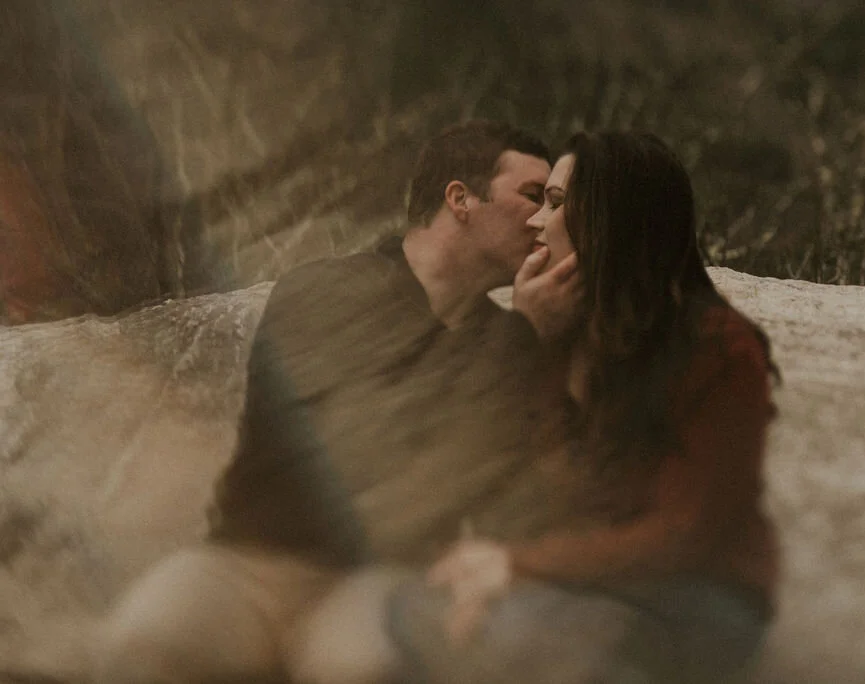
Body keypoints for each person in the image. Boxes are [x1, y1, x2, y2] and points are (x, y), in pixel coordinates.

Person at [94, 119, 582, 684]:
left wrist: (523, 341)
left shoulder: (504, 337)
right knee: (146, 636)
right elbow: (366, 436)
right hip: (251, 563)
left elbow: (489, 473)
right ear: (460, 198)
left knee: (366, 665)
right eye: (531, 197)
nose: (543, 220)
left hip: (382, 577)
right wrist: (518, 339)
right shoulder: (326, 289)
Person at [377, 131, 782, 684]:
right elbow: (512, 482)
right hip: (581, 583)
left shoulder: (721, 349)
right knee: (414, 608)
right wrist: (526, 336)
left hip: (693, 597)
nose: (536, 221)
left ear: (610, 218)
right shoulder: (564, 331)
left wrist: (517, 567)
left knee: (546, 643)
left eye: (556, 203)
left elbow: (682, 534)